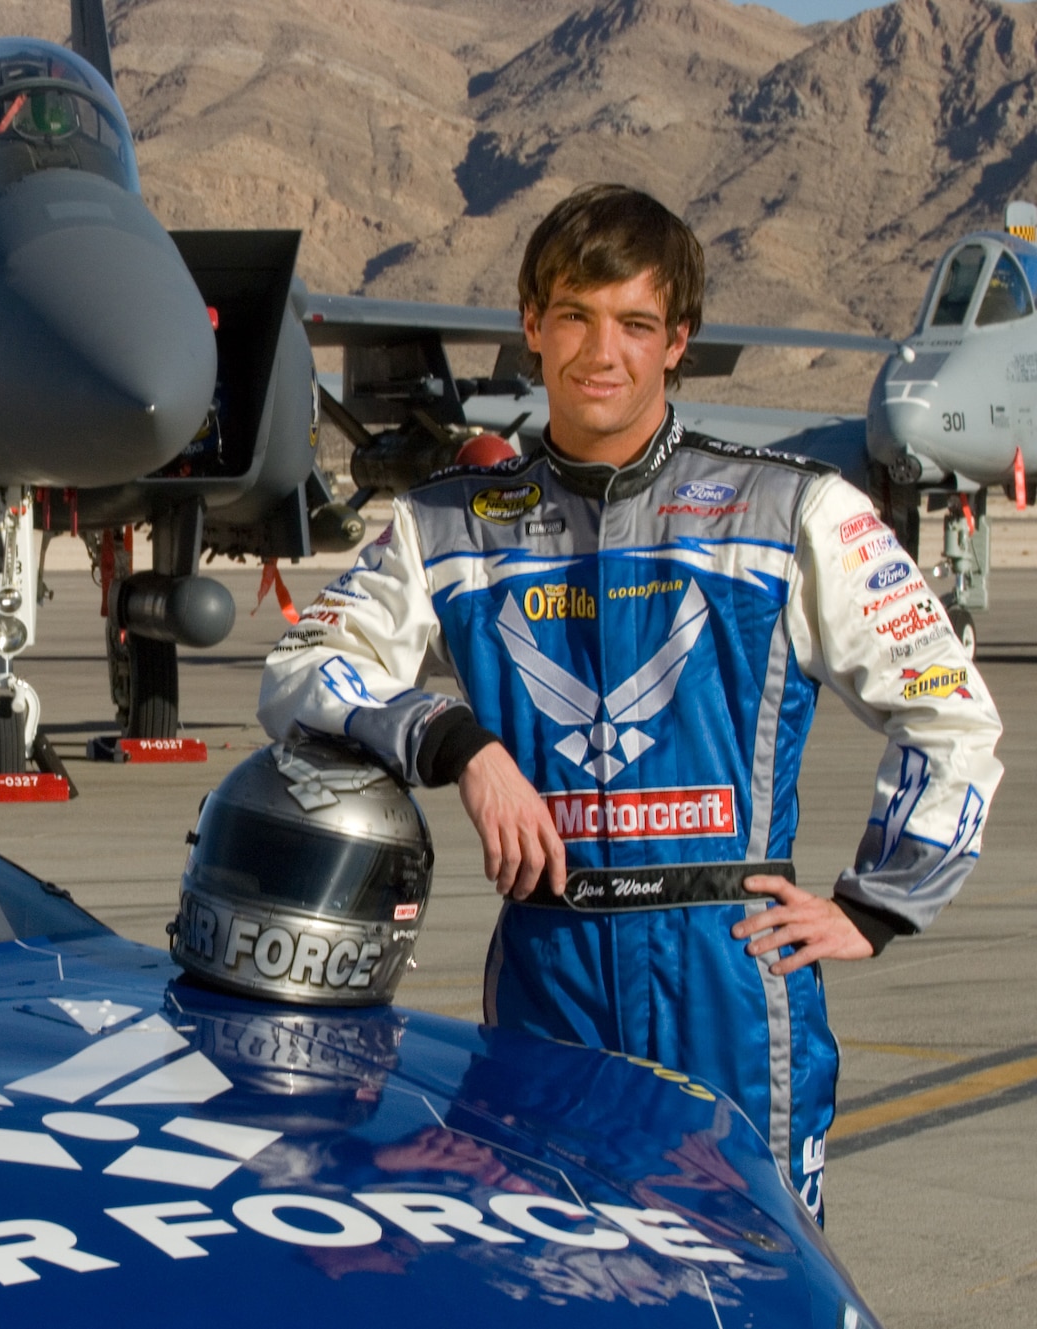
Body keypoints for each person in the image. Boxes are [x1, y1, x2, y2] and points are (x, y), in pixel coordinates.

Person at [257, 183, 1003, 1219]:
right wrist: (455, 741)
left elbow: (948, 711)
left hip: (730, 984)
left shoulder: (791, 510)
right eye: (572, 316)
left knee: (746, 1290)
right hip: (544, 976)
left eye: (633, 324)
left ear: (675, 342)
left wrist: (879, 901)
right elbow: (299, 672)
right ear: (529, 326)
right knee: (546, 1279)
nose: (599, 352)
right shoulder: (448, 526)